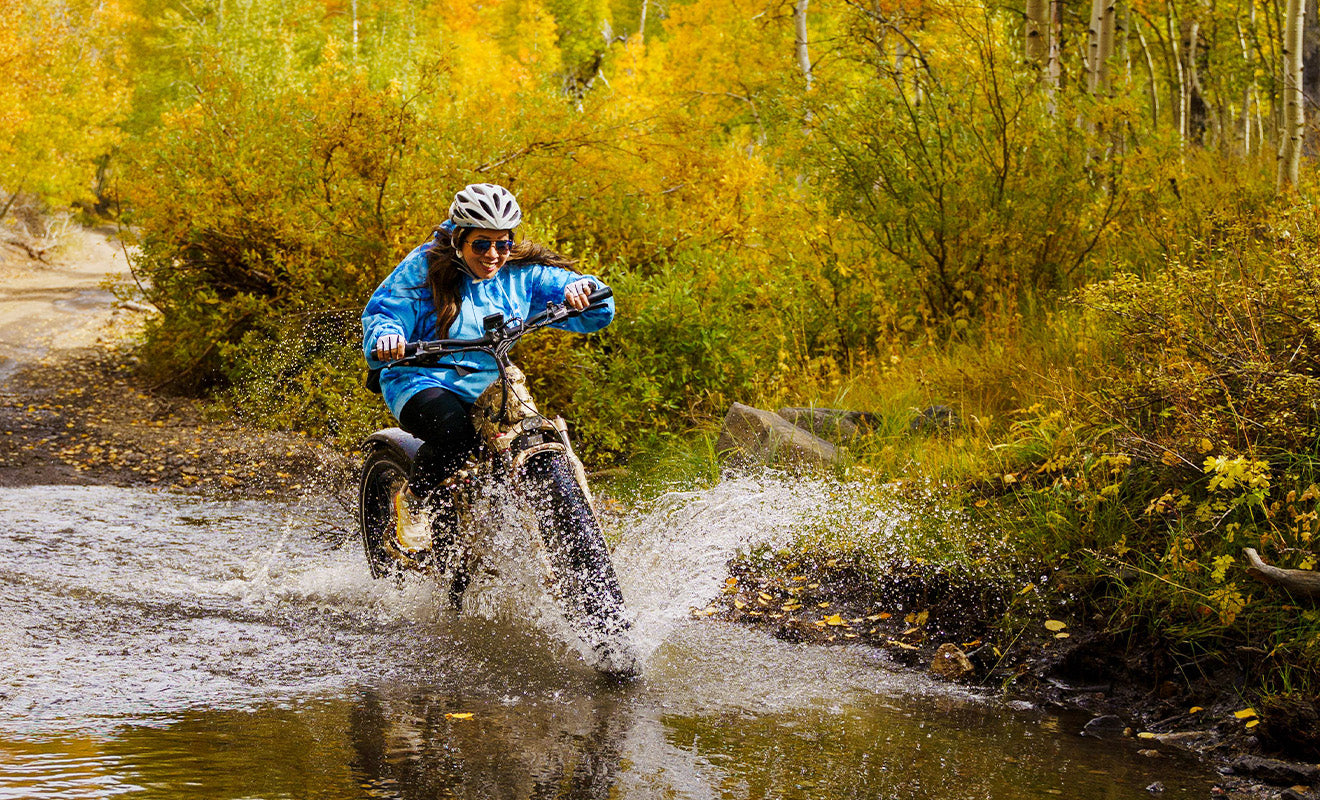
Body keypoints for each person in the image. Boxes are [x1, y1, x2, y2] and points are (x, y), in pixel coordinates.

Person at [361, 183, 614, 550]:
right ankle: (413, 500)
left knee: (534, 434)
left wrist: (583, 290)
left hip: (487, 378)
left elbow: (577, 293)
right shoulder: (422, 268)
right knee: (455, 435)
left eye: (503, 243)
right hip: (420, 375)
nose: (493, 254)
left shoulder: (521, 272)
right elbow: (386, 312)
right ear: (459, 239)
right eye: (481, 243)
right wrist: (387, 337)